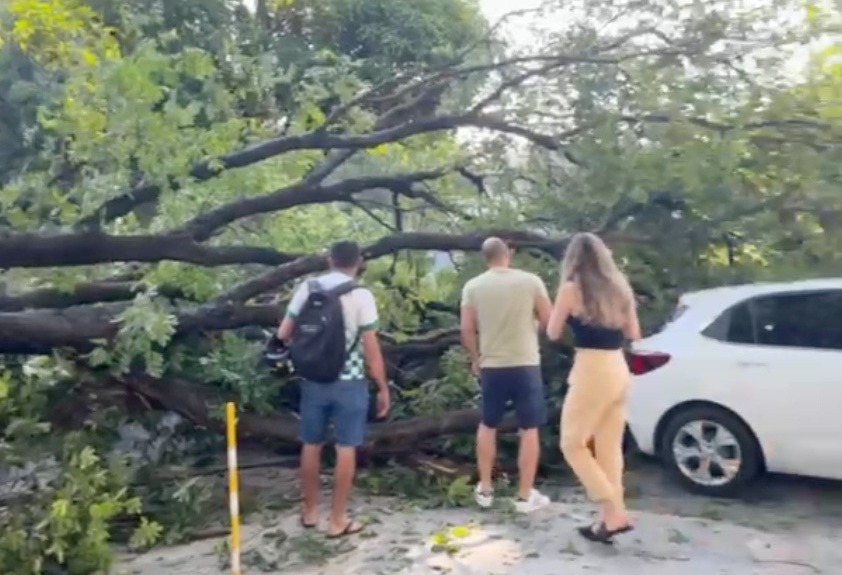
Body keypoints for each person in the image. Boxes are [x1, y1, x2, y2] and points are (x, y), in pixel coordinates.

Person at [276, 240, 390, 538]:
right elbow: (371, 348)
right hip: (349, 382)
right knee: (345, 448)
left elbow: (283, 333)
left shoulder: (308, 287)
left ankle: (310, 512)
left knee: (311, 444)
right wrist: (382, 387)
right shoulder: (361, 295)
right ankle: (337, 520)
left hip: (313, 380)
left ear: (330, 260)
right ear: (359, 263)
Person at [546, 232, 641, 544]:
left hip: (591, 369)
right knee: (608, 448)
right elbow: (634, 333)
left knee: (572, 443)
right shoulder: (620, 288)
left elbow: (552, 332)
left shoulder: (571, 289)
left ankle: (613, 511)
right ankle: (608, 520)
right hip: (619, 368)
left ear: (573, 259)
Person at [460, 237, 553, 512]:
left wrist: (475, 358)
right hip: (526, 363)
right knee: (529, 427)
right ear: (508, 254)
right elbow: (549, 320)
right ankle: (524, 496)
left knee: (488, 424)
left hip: (492, 364)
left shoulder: (473, 286)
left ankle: (485, 489)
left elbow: (466, 328)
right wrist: (533, 330)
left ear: (485, 258)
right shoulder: (531, 281)